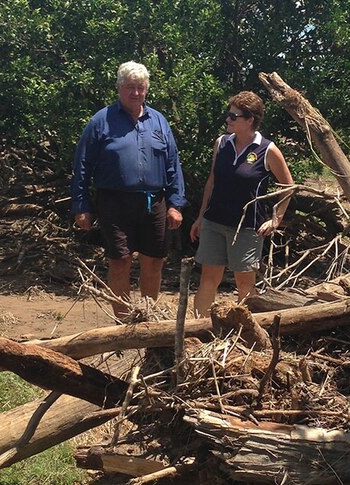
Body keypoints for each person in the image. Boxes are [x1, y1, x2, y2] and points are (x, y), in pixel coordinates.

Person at [71, 61, 187, 319]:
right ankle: (123, 324)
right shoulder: (101, 121)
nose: (135, 92)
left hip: (155, 202)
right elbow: (82, 166)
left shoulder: (158, 121)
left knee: (154, 261)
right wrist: (81, 206)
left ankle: (148, 319)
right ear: (119, 88)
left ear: (146, 89)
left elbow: (172, 164)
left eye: (140, 87)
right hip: (114, 202)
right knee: (120, 261)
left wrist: (175, 204)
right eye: (129, 87)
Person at [190, 91, 294, 317]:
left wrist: (275, 219)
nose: (227, 119)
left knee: (245, 285)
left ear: (250, 120)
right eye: (228, 115)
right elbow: (212, 180)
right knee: (208, 279)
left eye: (233, 116)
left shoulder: (267, 149)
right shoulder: (222, 143)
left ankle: (247, 337)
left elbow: (289, 186)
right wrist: (200, 217)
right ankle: (199, 330)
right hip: (213, 222)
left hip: (247, 228)